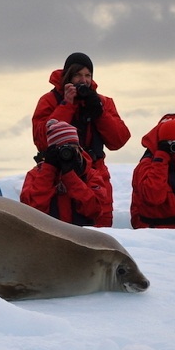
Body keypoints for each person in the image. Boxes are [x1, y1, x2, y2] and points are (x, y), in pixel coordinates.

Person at [31, 52, 130, 225]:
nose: (83, 81)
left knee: (100, 235)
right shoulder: (49, 101)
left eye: (87, 75)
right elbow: (41, 141)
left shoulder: (103, 102)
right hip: (58, 174)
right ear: (67, 76)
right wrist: (66, 105)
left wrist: (99, 112)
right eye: (77, 75)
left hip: (95, 175)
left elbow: (118, 140)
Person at [20, 119, 112, 227]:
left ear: (79, 148)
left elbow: (95, 210)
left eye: (72, 149)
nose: (67, 154)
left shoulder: (90, 175)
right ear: (51, 151)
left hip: (81, 237)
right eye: (61, 149)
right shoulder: (36, 175)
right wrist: (48, 169)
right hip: (48, 237)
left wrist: (71, 177)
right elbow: (31, 212)